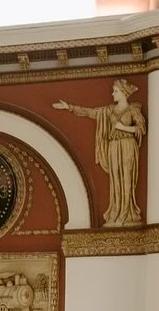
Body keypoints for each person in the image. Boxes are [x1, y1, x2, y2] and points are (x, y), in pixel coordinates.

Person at [53, 80, 145, 227]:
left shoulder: (133, 109)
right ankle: (116, 213)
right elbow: (91, 112)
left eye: (115, 91)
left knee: (126, 178)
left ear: (124, 93)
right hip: (113, 146)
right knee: (116, 180)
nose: (112, 94)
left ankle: (126, 214)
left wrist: (122, 127)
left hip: (127, 145)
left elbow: (140, 129)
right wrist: (69, 107)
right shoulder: (108, 111)